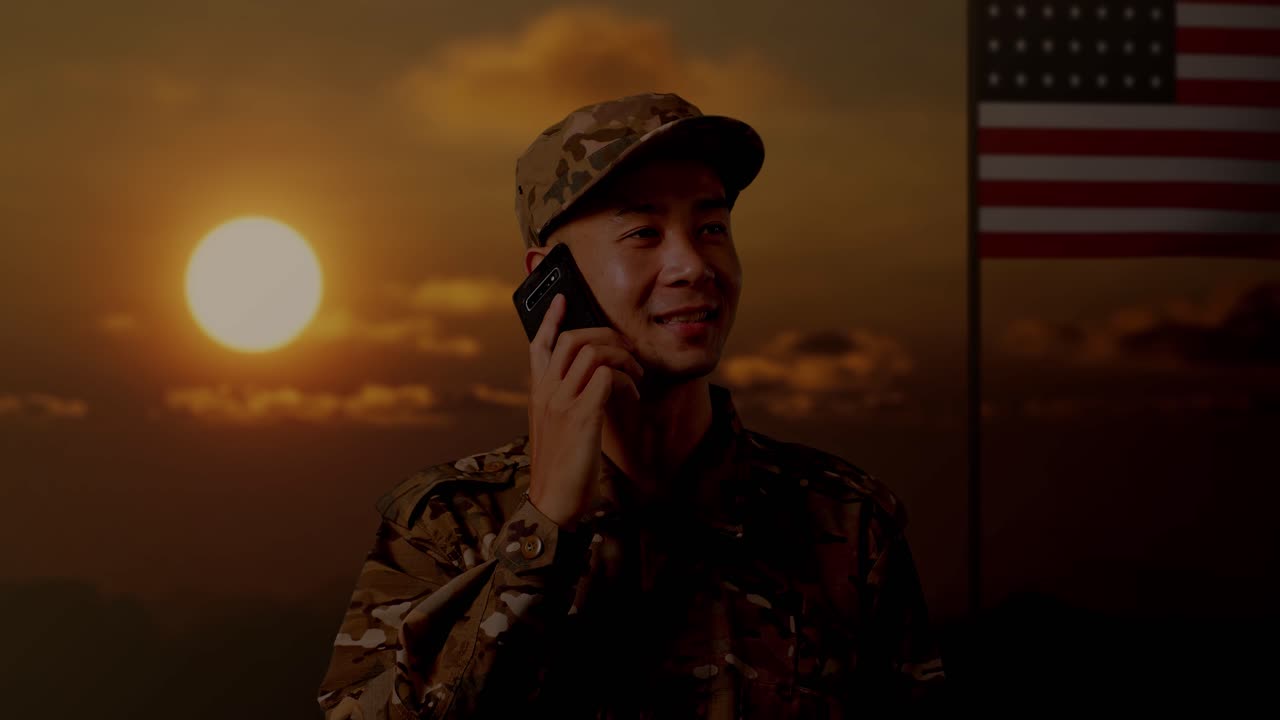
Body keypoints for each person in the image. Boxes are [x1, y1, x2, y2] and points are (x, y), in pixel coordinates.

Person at [316, 91, 945, 719]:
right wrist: (545, 527)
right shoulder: (446, 527)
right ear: (549, 279)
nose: (693, 265)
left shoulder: (846, 523)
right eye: (644, 232)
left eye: (712, 228)